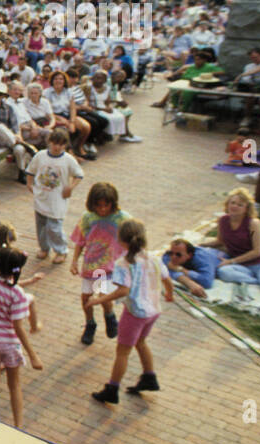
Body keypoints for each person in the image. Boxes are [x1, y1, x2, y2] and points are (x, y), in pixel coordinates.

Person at [89, 219, 173, 404]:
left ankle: (112, 388)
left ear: (121, 240)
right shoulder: (154, 258)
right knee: (141, 342)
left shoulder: (123, 263)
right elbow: (167, 279)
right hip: (153, 311)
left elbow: (123, 290)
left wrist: (98, 300)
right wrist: (169, 294)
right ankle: (149, 377)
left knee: (122, 352)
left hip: (135, 313)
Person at [0, 248, 43, 427]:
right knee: (14, 384)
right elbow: (18, 327)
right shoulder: (16, 294)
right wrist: (33, 355)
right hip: (9, 345)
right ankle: (18, 425)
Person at [69, 182, 132, 345]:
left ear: (113, 203)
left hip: (111, 266)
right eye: (99, 206)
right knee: (86, 298)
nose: (103, 209)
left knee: (104, 296)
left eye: (106, 205)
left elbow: (134, 238)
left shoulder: (122, 218)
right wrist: (74, 261)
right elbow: (80, 241)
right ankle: (90, 324)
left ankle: (109, 316)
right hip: (91, 266)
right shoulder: (87, 218)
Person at [25, 128, 83, 264]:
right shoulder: (40, 156)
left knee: (54, 227)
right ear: (49, 142)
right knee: (41, 226)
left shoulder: (68, 159)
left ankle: (61, 250)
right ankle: (44, 248)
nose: (57, 147)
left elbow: (79, 174)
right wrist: (29, 184)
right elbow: (30, 170)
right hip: (41, 198)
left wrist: (70, 187)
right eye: (55, 143)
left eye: (61, 144)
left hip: (57, 200)